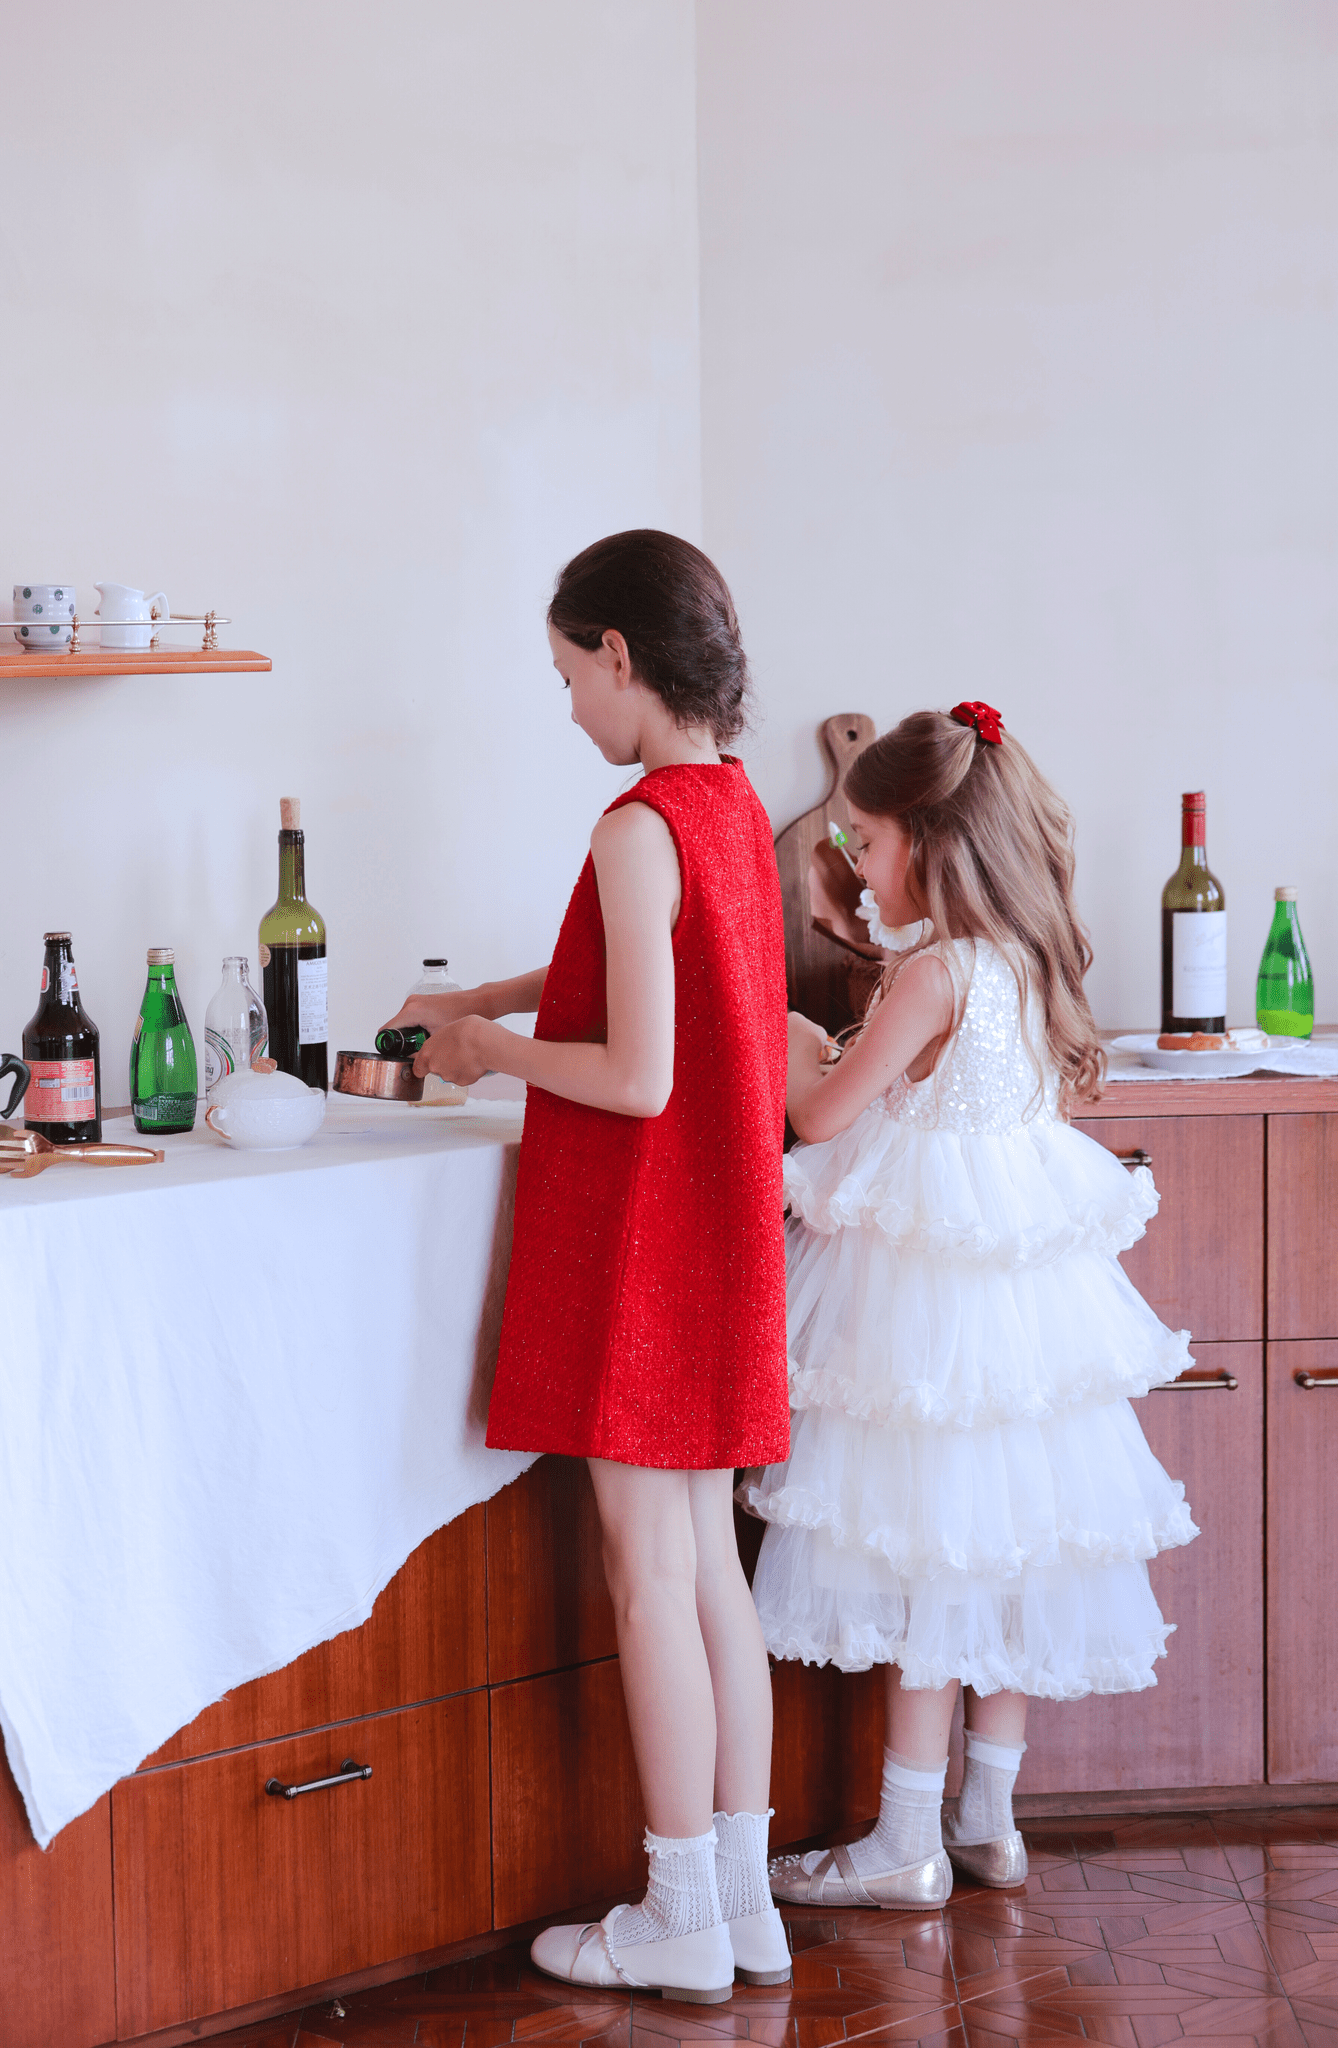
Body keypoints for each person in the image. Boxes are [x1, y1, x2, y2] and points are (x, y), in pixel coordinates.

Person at [382, 531, 792, 2000]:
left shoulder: (634, 827)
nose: (566, 707)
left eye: (568, 673)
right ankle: (741, 1901)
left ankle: (674, 1911)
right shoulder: (730, 810)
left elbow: (633, 1074)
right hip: (721, 1236)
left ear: (621, 655)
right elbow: (663, 978)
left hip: (641, 1237)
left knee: (645, 1575)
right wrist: (490, 991)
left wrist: (487, 1050)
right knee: (711, 1577)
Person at [744, 702, 1198, 1910]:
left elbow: (825, 1115)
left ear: (933, 844)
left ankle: (901, 1839)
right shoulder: (1024, 959)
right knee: (1008, 1547)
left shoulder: (936, 970)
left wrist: (793, 1040)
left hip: (929, 1322)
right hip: (1021, 1324)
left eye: (869, 842)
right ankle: (987, 1812)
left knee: (937, 1552)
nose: (854, 862)